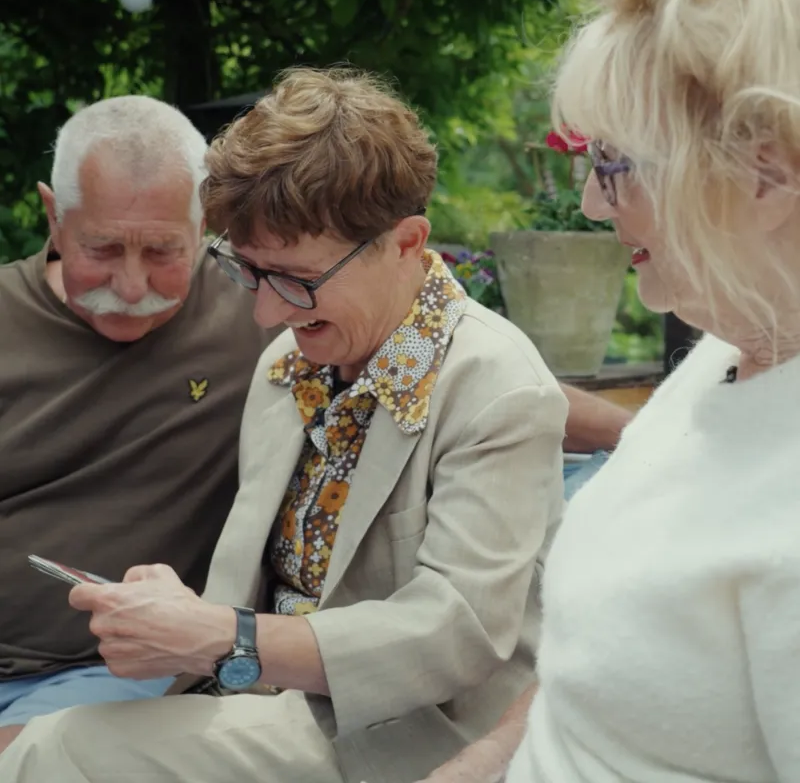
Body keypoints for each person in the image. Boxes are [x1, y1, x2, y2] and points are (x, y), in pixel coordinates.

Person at [0, 65, 625, 782]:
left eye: (296, 280)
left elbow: (459, 633)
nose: (268, 312)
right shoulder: (289, 365)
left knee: (64, 751)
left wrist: (224, 636)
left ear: (406, 243)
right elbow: (244, 593)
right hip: (266, 701)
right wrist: (175, 613)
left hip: (408, 734)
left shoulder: (494, 384)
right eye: (248, 274)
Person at [426, 0, 800, 780]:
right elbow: (594, 659)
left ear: (762, 176)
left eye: (613, 164)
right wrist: (493, 756)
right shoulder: (729, 353)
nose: (594, 203)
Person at [0, 96, 276, 752]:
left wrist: (555, 414)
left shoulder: (261, 310)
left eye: (161, 251)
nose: (131, 287)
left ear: (205, 219)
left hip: (118, 679)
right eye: (102, 248)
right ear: (53, 217)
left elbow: (426, 344)